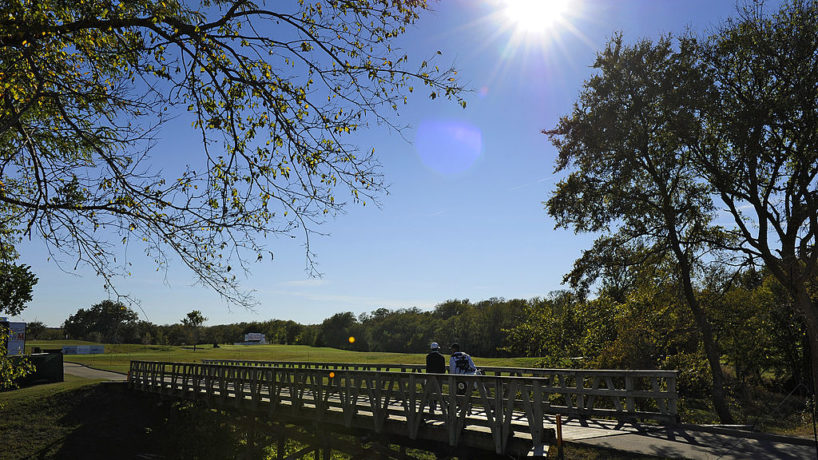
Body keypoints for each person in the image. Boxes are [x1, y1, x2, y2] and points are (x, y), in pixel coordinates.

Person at [425, 342, 446, 415]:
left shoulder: (428, 356)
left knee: (430, 392)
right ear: (437, 348)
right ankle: (443, 409)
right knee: (439, 392)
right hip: (438, 378)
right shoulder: (441, 357)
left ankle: (431, 408)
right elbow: (443, 370)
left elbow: (427, 368)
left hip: (430, 377)